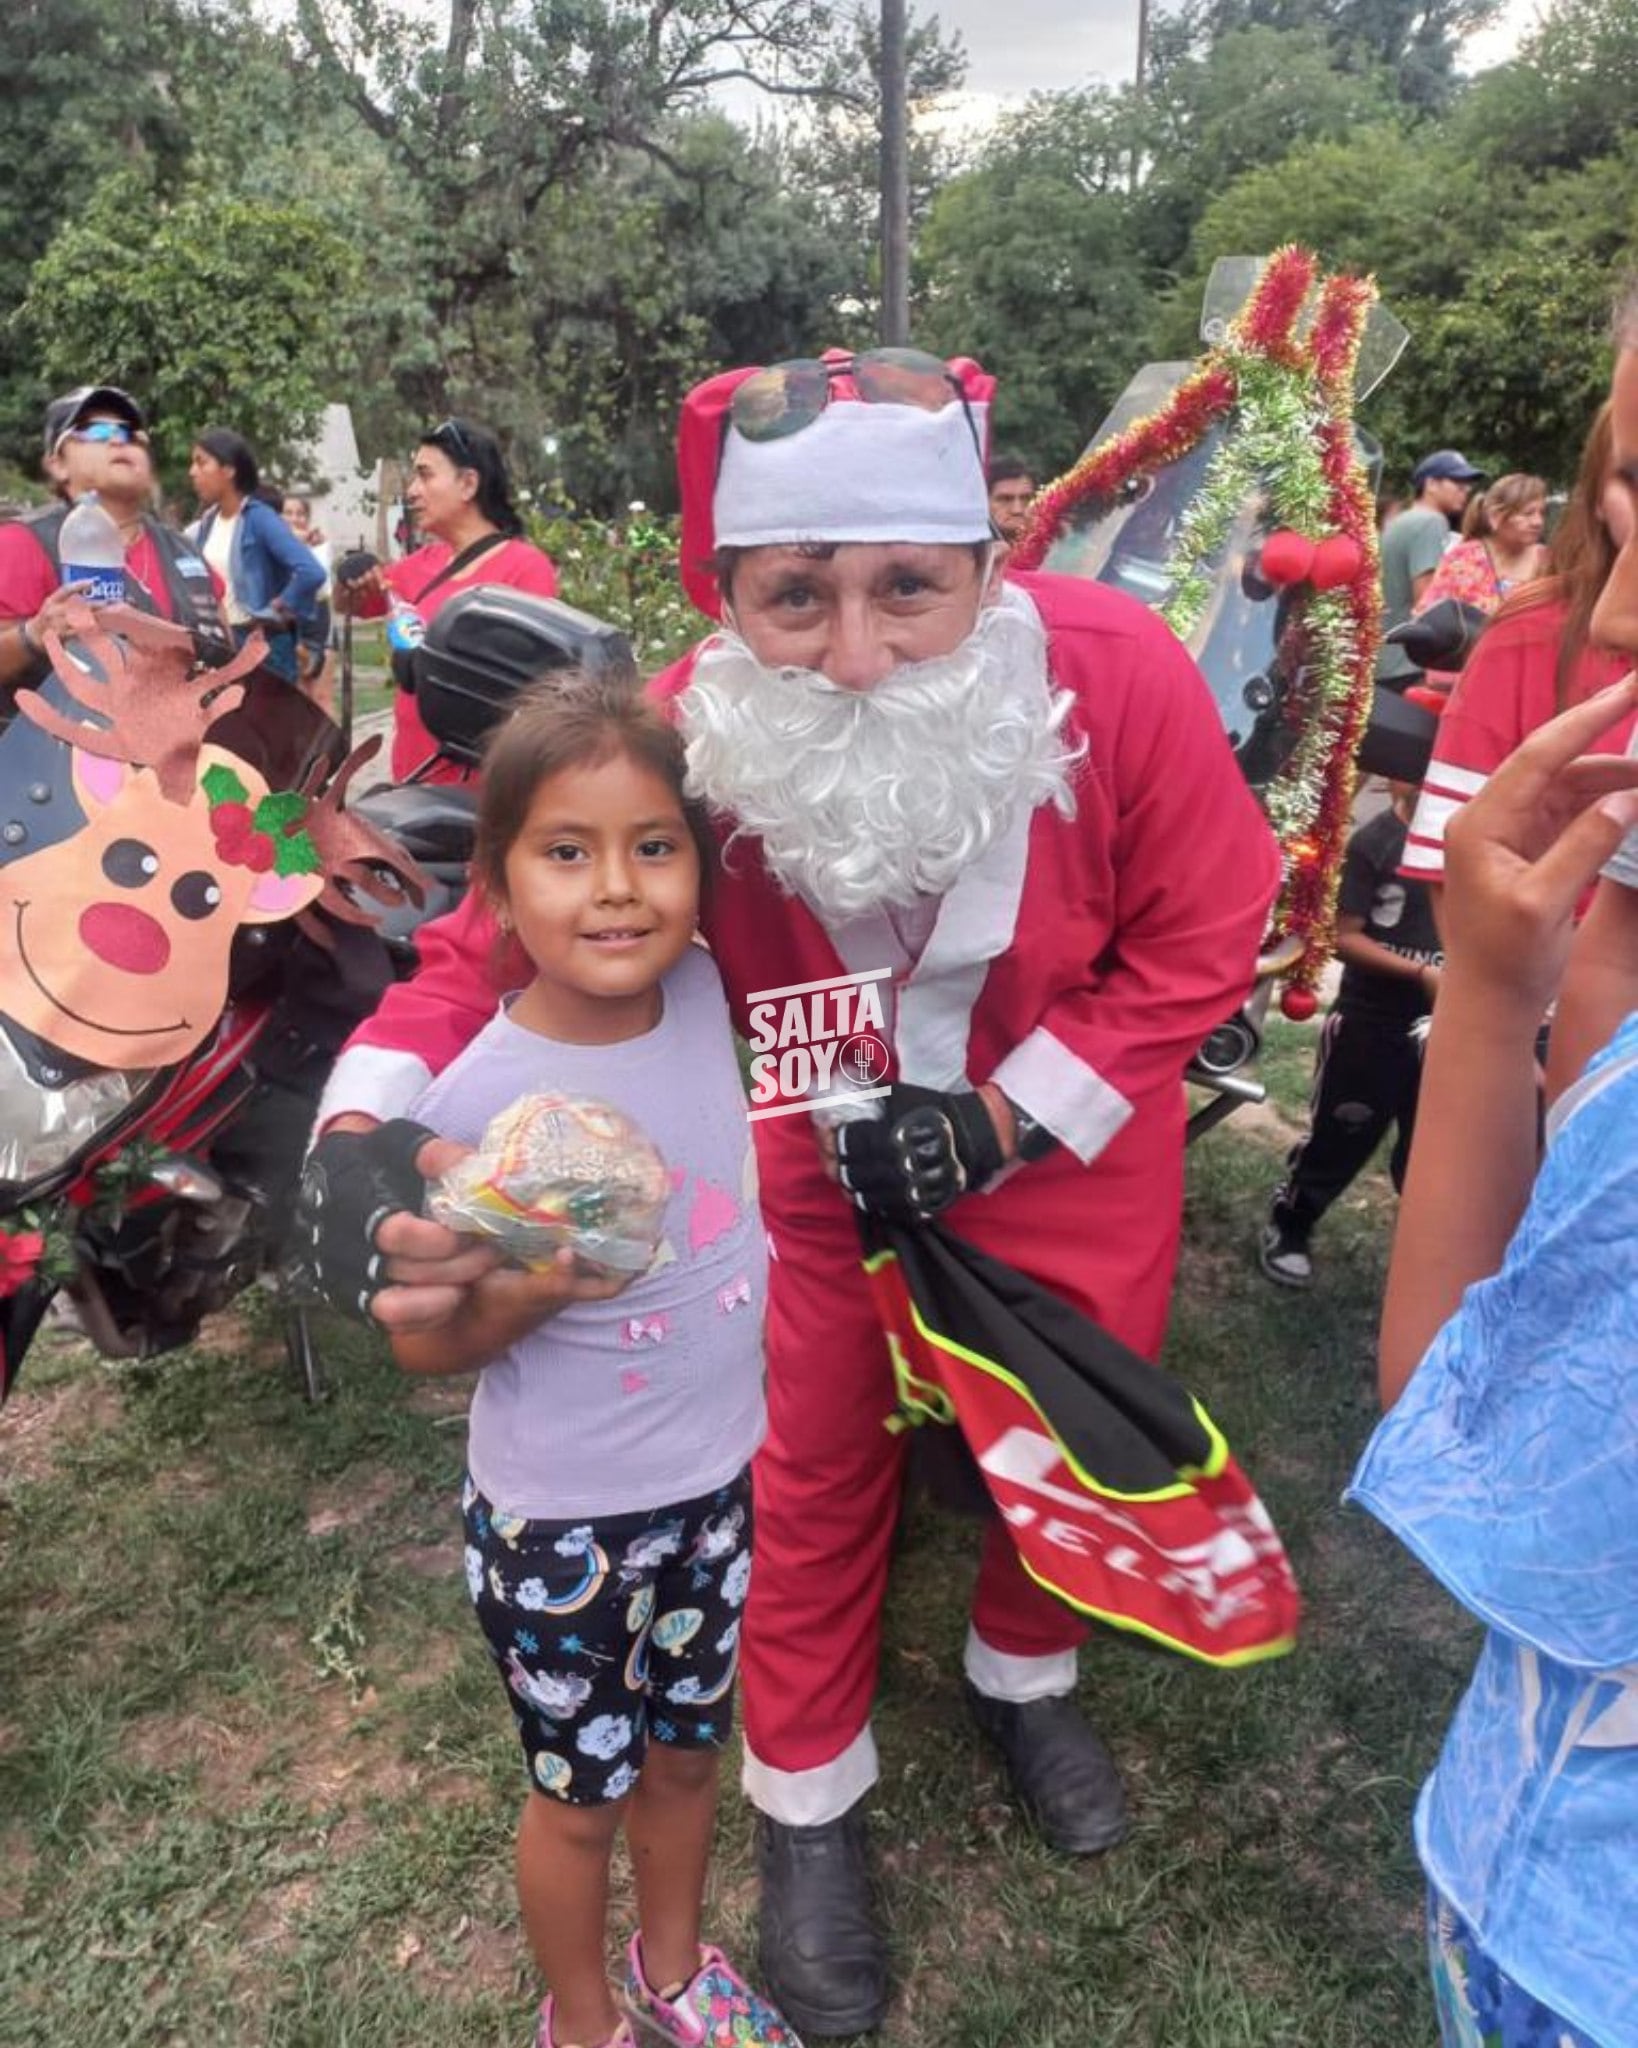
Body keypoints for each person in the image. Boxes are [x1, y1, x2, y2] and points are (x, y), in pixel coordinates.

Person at [298, 347, 1280, 2037]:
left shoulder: (1113, 675)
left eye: (911, 588)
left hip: (1061, 1156)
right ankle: (808, 1797)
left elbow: (1202, 925)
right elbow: (474, 952)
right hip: (797, 1177)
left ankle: (1019, 1671)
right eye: (792, 597)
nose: (853, 652)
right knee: (806, 1468)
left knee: (1056, 1430)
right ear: (722, 588)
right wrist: (360, 1130)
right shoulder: (685, 730)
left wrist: (1005, 1116)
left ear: (986, 547)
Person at [391, 671, 797, 2048]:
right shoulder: (477, 1108)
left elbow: (838, 1065)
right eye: (566, 853)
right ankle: (582, 2023)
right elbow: (427, 1348)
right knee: (581, 1799)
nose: (615, 889)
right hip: (560, 1526)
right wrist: (536, 1290)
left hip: (715, 1491)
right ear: (499, 894)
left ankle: (676, 1970)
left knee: (687, 1761)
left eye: (652, 846)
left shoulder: (708, 1000)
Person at [1356, 295, 1638, 2048]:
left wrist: (1488, 997)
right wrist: (1512, 981)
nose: (1604, 608)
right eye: (1615, 512)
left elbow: (1461, 1421)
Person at [1402, 407, 1632, 895]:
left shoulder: (1540, 563)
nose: (1532, 523)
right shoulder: (1530, 624)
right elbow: (1455, 858)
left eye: (1537, 514)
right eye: (1634, 479)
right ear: (1595, 498)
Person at [1259, 782, 1441, 1289]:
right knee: (1343, 1131)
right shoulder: (1377, 843)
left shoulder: (1471, 843)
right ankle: (1292, 1222)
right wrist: (1421, 975)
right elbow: (1342, 936)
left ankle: (1425, 1255)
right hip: (1372, 1022)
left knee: (1432, 1146)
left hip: (1448, 1031)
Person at [333, 418, 558, 784]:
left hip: (485, 795)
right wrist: (350, 586)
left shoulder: (526, 570)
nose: (412, 491)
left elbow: (535, 691)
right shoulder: (414, 568)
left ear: (468, 483)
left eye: (425, 475)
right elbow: (352, 605)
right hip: (413, 783)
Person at [0, 384, 230, 709]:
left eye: (132, 434)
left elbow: (228, 663)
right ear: (57, 464)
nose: (117, 439)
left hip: (183, 753)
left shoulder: (185, 551)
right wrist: (34, 635)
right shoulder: (21, 542)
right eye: (96, 429)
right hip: (68, 754)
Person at [188, 428, 323, 685]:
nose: (192, 472)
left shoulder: (259, 518)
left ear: (229, 470)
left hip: (262, 648)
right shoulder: (208, 523)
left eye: (201, 462)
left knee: (269, 725)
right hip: (222, 646)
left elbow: (311, 572)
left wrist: (274, 609)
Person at [1407, 472, 1548, 702]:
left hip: (1526, 688)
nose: (1538, 522)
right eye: (1528, 513)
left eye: (1541, 512)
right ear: (1496, 516)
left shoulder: (1548, 562)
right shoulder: (1464, 559)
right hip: (1463, 688)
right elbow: (1429, 617)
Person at [1377, 449, 1484, 690]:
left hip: (1385, 654)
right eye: (1457, 482)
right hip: (1407, 662)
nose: (1465, 490)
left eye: (1467, 484)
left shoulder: (1404, 521)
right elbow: (1427, 605)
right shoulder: (1430, 522)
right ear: (1431, 484)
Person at [281, 492, 334, 710]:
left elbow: (318, 580)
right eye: (288, 513)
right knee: (297, 694)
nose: (295, 518)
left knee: (321, 696)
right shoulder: (271, 548)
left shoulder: (320, 547)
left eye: (301, 514)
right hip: (289, 623)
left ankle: (331, 744)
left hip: (317, 619)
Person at [986, 454, 1036, 543]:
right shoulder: (963, 552)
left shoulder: (1056, 548)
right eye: (1005, 499)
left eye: (1026, 499)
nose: (1017, 510)